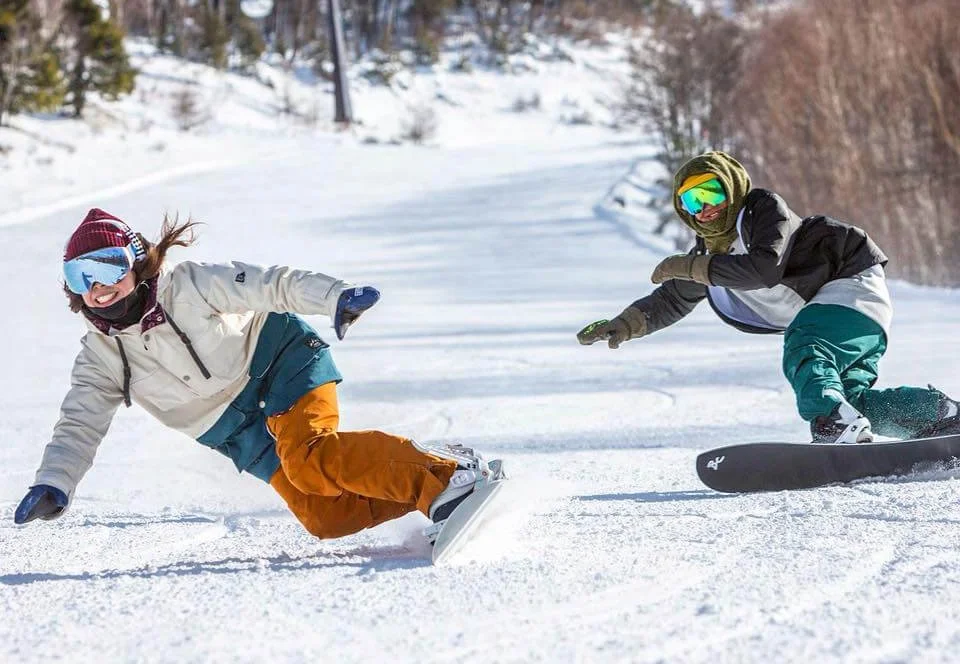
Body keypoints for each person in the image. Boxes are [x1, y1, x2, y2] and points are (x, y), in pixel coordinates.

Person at [14, 208, 502, 539]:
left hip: (278, 364)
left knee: (310, 458)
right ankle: (437, 469)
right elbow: (79, 424)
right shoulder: (99, 357)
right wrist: (54, 482)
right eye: (80, 276)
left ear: (136, 263)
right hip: (236, 432)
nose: (97, 288)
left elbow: (272, 286)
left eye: (107, 267)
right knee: (325, 516)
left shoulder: (190, 285)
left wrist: (334, 296)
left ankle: (445, 482)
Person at [577, 151, 959, 444]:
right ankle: (939, 415)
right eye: (692, 201)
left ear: (731, 188)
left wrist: (690, 266)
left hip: (848, 284)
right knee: (853, 400)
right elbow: (671, 300)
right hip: (848, 318)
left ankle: (833, 424)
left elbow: (763, 268)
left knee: (805, 348)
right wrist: (623, 325)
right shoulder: (710, 257)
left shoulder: (761, 211)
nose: (705, 208)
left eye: (711, 192)